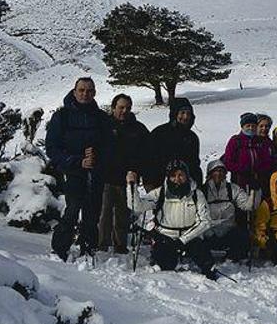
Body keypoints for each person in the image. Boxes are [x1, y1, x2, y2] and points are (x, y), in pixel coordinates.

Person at [46, 77, 112, 261]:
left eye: (89, 90)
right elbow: (52, 147)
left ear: (95, 93)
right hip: (73, 171)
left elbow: (110, 146)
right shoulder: (62, 116)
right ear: (74, 92)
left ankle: (88, 247)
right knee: (73, 209)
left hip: (95, 172)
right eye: (82, 90)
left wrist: (97, 156)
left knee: (92, 212)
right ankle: (60, 248)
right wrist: (76, 161)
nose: (85, 94)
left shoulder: (101, 118)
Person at [126, 161, 217, 279]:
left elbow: (205, 221)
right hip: (166, 237)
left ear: (187, 176)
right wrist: (131, 186)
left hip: (189, 237)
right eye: (173, 176)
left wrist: (183, 240)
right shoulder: (160, 193)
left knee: (207, 263)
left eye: (181, 175)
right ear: (168, 177)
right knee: (166, 264)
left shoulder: (196, 194)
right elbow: (137, 206)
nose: (177, 179)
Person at [99, 93, 148, 254]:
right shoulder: (104, 126)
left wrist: (136, 171)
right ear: (114, 108)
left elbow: (146, 153)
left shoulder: (138, 129)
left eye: (127, 108)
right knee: (104, 213)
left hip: (128, 179)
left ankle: (120, 245)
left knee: (123, 213)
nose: (124, 111)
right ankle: (102, 245)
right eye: (121, 107)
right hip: (105, 177)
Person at [201, 160, 254, 262]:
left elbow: (248, 206)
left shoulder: (232, 189)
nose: (219, 174)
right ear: (209, 173)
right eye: (216, 171)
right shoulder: (202, 191)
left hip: (228, 231)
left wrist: (254, 192)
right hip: (208, 232)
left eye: (222, 171)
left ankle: (232, 257)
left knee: (243, 236)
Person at [146, 98, 201, 190]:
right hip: (159, 185)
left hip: (186, 187)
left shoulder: (192, 137)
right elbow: (148, 160)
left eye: (188, 113)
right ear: (175, 114)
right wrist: (148, 182)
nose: (185, 117)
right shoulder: (159, 133)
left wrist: (198, 184)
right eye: (182, 113)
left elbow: (195, 164)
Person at [222, 112, 273, 194]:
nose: (251, 128)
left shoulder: (259, 142)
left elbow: (266, 160)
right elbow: (228, 162)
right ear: (242, 127)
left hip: (257, 182)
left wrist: (258, 171)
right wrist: (243, 170)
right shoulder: (235, 141)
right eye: (248, 126)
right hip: (239, 182)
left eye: (253, 126)